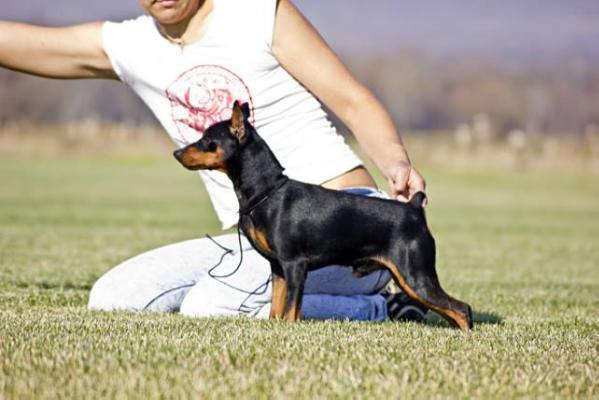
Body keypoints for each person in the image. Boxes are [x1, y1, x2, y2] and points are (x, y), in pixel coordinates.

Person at [0, 0, 427, 321]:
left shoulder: (257, 11)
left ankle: (383, 307)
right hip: (261, 237)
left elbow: (352, 100)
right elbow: (24, 44)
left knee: (211, 304)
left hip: (350, 226)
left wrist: (396, 161)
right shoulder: (131, 45)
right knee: (116, 296)